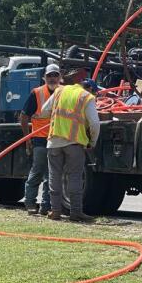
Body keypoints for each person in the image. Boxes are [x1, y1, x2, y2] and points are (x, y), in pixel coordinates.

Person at [39, 75, 102, 223]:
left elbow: (43, 111)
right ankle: (76, 212)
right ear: (91, 89)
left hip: (54, 140)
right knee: (74, 176)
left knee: (54, 176)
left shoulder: (60, 90)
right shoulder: (87, 97)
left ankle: (55, 211)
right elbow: (94, 123)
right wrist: (92, 142)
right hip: (74, 142)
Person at [19, 63, 61, 215]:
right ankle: (30, 202)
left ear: (60, 77)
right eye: (49, 75)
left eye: (55, 75)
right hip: (40, 139)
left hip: (57, 140)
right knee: (37, 171)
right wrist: (27, 139)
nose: (52, 78)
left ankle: (46, 206)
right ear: (44, 77)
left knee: (52, 175)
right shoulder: (36, 93)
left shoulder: (63, 92)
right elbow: (23, 116)